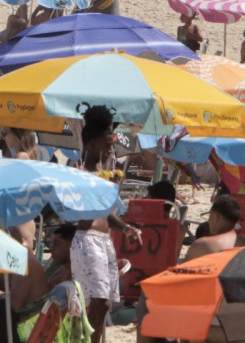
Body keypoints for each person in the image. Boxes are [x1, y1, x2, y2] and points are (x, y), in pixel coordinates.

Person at [72, 105, 141, 343]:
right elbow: (82, 213)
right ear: (91, 144)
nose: (111, 149)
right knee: (98, 301)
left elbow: (106, 212)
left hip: (104, 239)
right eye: (107, 144)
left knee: (107, 301)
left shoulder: (102, 171)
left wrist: (126, 228)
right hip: (87, 239)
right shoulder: (78, 171)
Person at [183, 197, 245, 262]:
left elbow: (182, 270)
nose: (208, 221)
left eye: (210, 216)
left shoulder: (202, 245)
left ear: (217, 217)